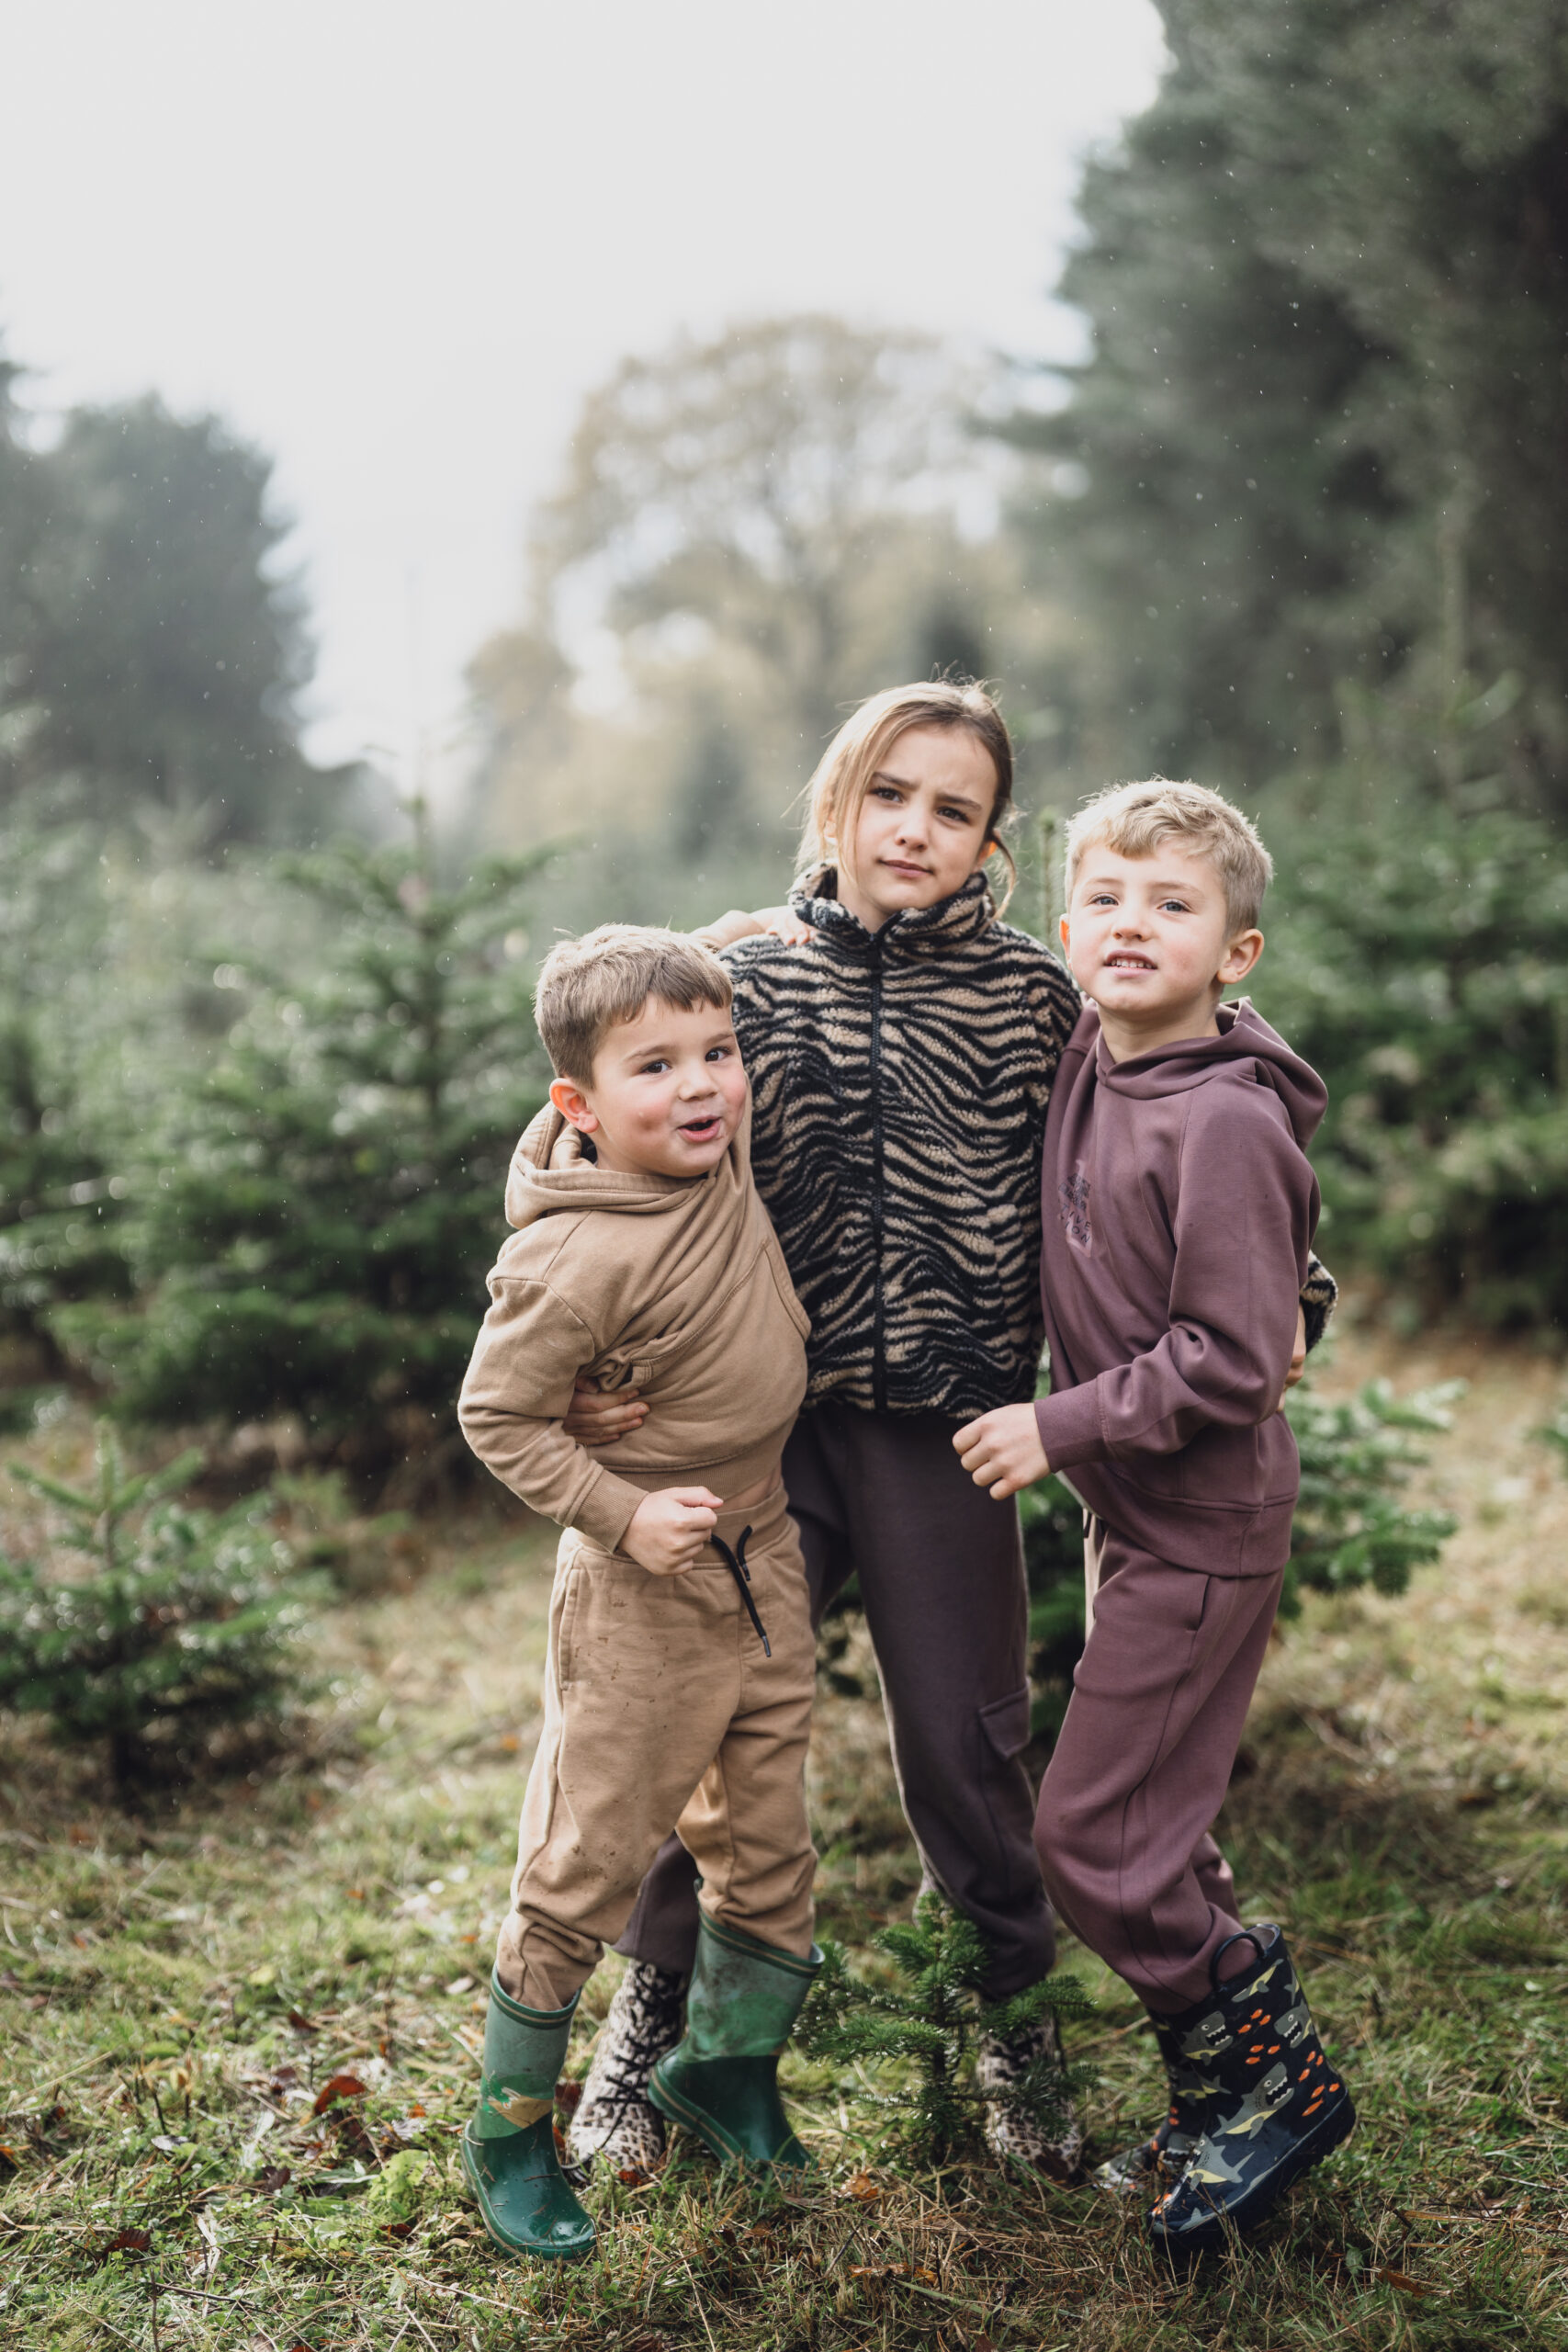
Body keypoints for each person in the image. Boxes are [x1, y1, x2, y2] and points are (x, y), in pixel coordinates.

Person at [559, 683, 1337, 2182]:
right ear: (837, 804)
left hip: (948, 1433)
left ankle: (1014, 2044)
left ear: (992, 842)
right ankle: (643, 2047)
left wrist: (1300, 1289)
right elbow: (592, 1132)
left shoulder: (1041, 998)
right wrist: (580, 1360)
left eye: (955, 809)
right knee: (694, 1724)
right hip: (756, 1431)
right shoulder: (740, 985)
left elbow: (1209, 1105)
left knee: (970, 1746)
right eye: (890, 795)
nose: (915, 829)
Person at [954, 779, 1355, 2251]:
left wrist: (1054, 1427)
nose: (1133, 927)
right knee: (1160, 1829)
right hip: (1143, 1524)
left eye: (1173, 906)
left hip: (1203, 1524)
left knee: (1093, 1835)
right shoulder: (1091, 1051)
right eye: (1107, 901)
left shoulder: (1226, 1125)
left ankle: (1277, 2080)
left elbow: (1238, 1359)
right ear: (1068, 931)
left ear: (1235, 954)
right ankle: (1227, 2092)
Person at [456, 925, 820, 2262]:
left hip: (765, 1555)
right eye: (655, 1067)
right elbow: (498, 1416)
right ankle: (509, 2135)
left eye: (719, 1054)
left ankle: (726, 2074)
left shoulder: (710, 1159)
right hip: (640, 1589)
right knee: (587, 1859)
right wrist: (619, 1508)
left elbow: (692, 975)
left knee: (770, 1840)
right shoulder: (572, 1256)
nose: (703, 1085)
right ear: (579, 1107)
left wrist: (773, 929)